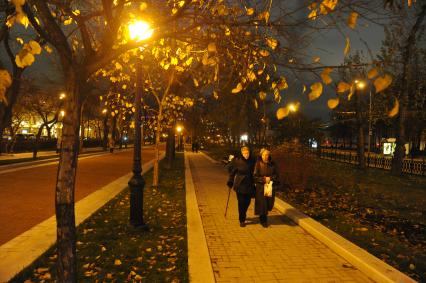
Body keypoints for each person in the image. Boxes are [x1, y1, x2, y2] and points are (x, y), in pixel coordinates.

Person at [227, 146, 255, 227]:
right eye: (245, 153)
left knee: (247, 202)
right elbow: (232, 173)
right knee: (241, 202)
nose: (246, 155)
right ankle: (242, 219)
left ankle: (244, 213)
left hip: (249, 183)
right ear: (242, 153)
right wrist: (230, 181)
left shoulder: (252, 161)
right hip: (240, 184)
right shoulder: (237, 161)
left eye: (248, 153)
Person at [253, 148, 279, 228]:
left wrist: (270, 178)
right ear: (261, 155)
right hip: (261, 187)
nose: (265, 156)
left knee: (268, 204)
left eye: (267, 155)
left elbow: (276, 175)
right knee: (262, 204)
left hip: (269, 186)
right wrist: (263, 179)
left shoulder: (272, 164)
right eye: (264, 155)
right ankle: (263, 220)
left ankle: (263, 217)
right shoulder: (258, 163)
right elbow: (255, 176)